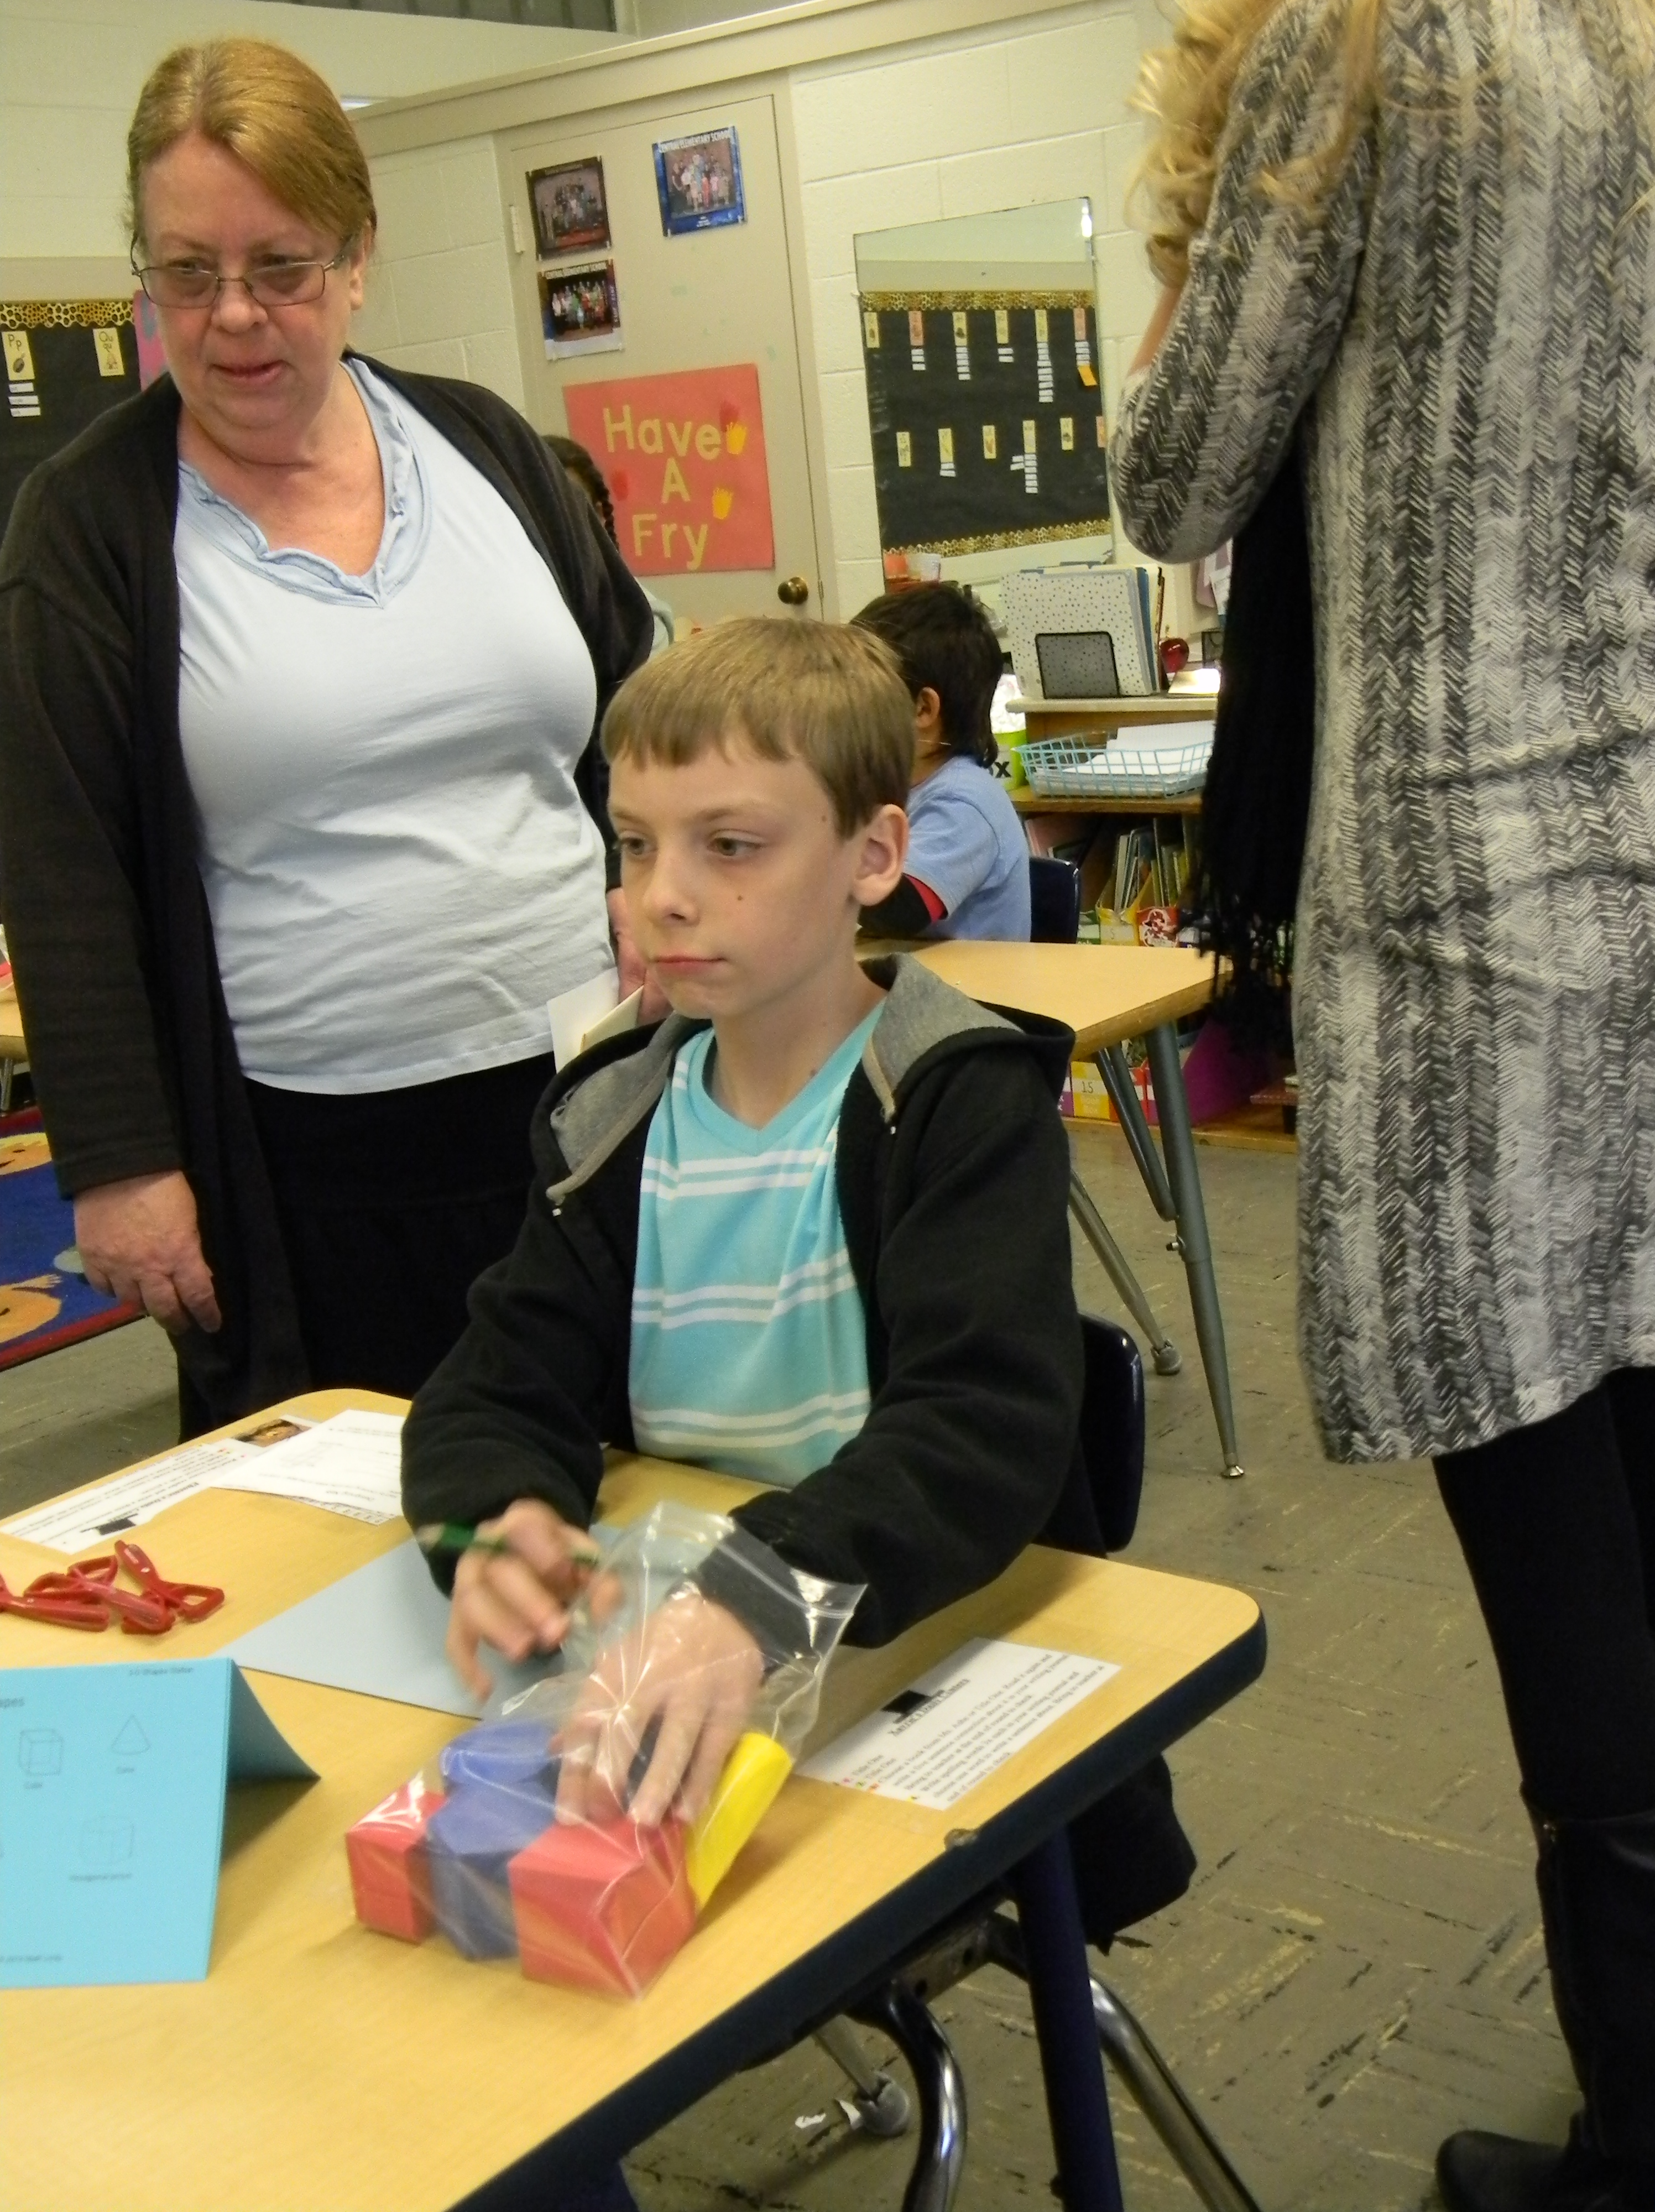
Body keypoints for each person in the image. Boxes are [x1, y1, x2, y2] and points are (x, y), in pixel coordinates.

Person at [1109, 0, 1655, 2205]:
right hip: (1637, 867)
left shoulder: (1365, 42)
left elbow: (1172, 475)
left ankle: (1636, 2148)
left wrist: (1199, 219)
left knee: (1562, 1573)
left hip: (1470, 921)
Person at [403, 614, 1192, 1922]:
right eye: (636, 844)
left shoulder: (952, 1103)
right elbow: (492, 1382)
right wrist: (496, 1516)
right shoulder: (612, 1119)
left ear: (872, 856)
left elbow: (980, 1430)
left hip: (914, 1649)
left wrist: (756, 1594)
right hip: (696, 1662)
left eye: (730, 846)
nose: (662, 895)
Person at [0, 38, 652, 1435]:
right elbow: (62, 870)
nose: (234, 315)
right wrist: (119, 1163)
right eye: (188, 273)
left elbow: (640, 715)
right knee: (369, 1519)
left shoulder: (483, 445)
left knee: (626, 1481)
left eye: (280, 267)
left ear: (357, 257)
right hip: (317, 1166)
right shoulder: (91, 525)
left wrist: (660, 887)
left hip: (594, 1098)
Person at [853, 582, 1030, 941]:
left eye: (860, 693)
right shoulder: (894, 786)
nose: (843, 708)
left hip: (964, 980)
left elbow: (898, 911)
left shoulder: (963, 802)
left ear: (923, 709)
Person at [545, 432, 675, 658]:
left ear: (599, 516)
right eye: (544, 512)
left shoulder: (644, 624)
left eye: (570, 510)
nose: (556, 528)